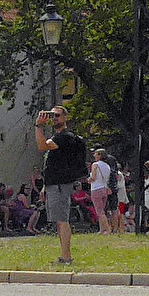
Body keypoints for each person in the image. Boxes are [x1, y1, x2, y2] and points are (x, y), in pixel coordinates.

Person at [36, 106, 87, 264]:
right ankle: (64, 255)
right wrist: (45, 186)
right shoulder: (57, 136)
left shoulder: (64, 137)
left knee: (62, 220)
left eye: (57, 115)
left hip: (60, 184)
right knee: (58, 220)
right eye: (52, 115)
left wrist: (38, 126)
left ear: (66, 117)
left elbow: (42, 146)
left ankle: (66, 257)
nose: (54, 118)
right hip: (54, 183)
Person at [87, 148, 113, 234]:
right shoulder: (107, 166)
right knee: (102, 210)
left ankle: (107, 229)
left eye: (95, 153)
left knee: (99, 211)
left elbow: (93, 177)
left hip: (96, 188)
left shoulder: (95, 165)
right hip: (104, 188)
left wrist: (89, 180)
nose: (94, 155)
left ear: (99, 155)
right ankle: (101, 229)